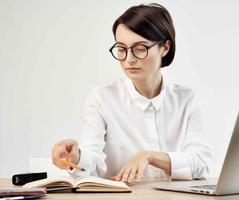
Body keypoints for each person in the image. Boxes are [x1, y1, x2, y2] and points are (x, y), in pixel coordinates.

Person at [52, 3, 212, 184]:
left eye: (140, 48)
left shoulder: (187, 100)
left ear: (165, 48)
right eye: (121, 49)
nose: (129, 59)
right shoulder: (101, 98)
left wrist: (149, 156)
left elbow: (201, 164)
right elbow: (93, 161)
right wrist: (77, 156)